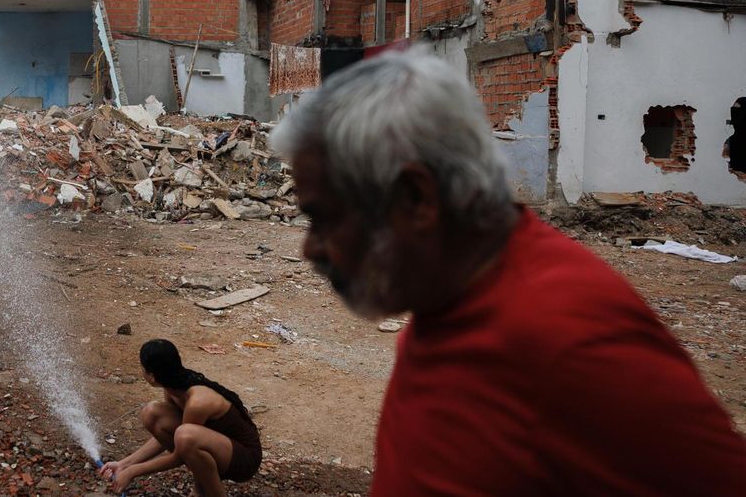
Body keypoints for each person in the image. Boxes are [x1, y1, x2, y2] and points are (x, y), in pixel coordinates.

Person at [270, 52, 746, 495]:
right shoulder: (450, 293)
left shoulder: (573, 342)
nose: (310, 247)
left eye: (323, 217)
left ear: (416, 199)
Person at [99, 339, 261, 496]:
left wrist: (133, 472)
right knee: (152, 414)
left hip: (244, 459)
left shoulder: (197, 402)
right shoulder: (172, 387)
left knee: (186, 436)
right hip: (217, 448)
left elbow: (181, 451)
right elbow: (175, 442)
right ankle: (202, 487)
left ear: (152, 376)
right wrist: (124, 464)